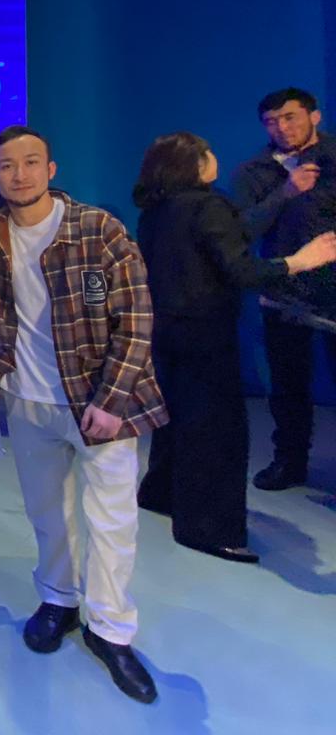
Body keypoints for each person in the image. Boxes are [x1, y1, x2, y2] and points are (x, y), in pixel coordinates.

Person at [0, 126, 164, 704]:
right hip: (28, 402)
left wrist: (112, 401)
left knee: (113, 520)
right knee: (47, 513)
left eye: (31, 162)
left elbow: (136, 319)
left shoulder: (98, 229)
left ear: (51, 170)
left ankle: (111, 630)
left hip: (99, 403)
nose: (19, 174)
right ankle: (58, 600)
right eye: (6, 165)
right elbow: (6, 321)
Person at [134, 133, 336, 561]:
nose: (215, 157)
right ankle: (208, 529)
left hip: (168, 332)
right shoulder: (208, 206)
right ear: (194, 164)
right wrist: (300, 260)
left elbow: (228, 237)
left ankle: (161, 494)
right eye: (208, 152)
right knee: (217, 432)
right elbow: (242, 271)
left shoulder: (157, 210)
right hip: (207, 335)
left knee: (177, 421)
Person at [232, 87, 336, 490]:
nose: (282, 127)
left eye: (290, 117)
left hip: (333, 291)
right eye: (271, 121)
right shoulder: (253, 172)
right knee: (288, 386)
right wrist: (286, 193)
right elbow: (243, 229)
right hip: (284, 291)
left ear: (314, 116)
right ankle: (289, 462)